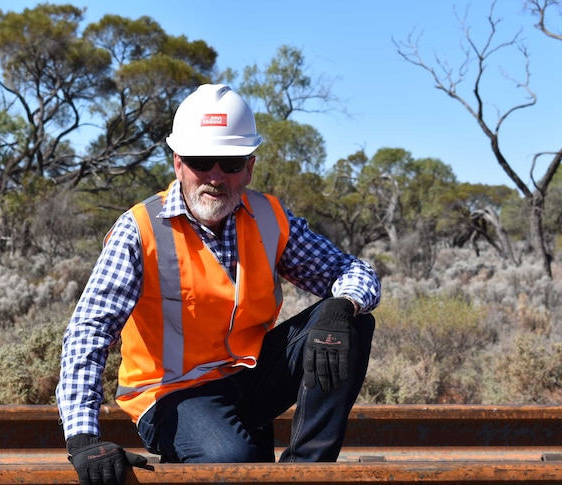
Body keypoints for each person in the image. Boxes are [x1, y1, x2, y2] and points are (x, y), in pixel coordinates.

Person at [57, 83, 380, 485]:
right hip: (171, 393)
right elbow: (90, 329)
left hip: (248, 377)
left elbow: (356, 271)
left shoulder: (269, 216)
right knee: (232, 461)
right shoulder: (139, 229)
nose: (214, 175)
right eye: (200, 160)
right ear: (177, 162)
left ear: (249, 167)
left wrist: (342, 304)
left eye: (229, 162)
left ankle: (304, 473)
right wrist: (83, 438)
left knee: (350, 324)